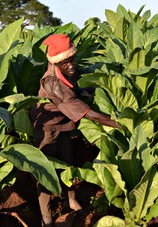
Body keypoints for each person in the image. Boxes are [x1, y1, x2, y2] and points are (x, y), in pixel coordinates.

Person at [30, 34, 121, 226]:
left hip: (64, 123)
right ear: (56, 63)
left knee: (67, 162)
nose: (72, 66)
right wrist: (120, 124)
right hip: (48, 128)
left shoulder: (66, 72)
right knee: (45, 171)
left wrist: (97, 90)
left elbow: (73, 92)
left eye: (73, 59)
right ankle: (46, 218)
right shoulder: (52, 83)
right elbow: (88, 114)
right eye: (66, 62)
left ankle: (70, 200)